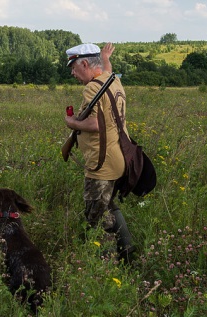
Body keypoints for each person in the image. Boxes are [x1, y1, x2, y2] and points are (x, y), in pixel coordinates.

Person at [64, 42, 136, 262]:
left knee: (95, 218)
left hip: (101, 164)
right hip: (119, 159)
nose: (72, 73)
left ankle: (106, 265)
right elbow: (107, 70)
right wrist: (105, 58)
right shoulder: (113, 81)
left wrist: (72, 123)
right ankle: (128, 253)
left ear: (85, 63)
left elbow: (96, 124)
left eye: (74, 68)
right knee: (109, 206)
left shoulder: (93, 88)